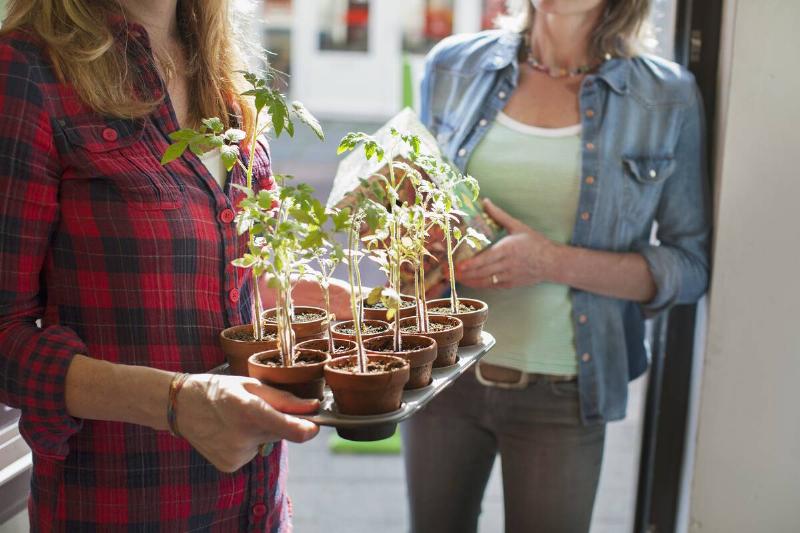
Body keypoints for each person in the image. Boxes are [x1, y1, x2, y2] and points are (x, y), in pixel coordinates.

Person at [0, 1, 343, 530]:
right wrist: (175, 402)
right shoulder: (27, 70)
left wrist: (338, 302)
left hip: (258, 505)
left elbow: (230, 273)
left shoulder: (222, 74)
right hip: (125, 507)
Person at [404, 0, 710, 531]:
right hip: (442, 373)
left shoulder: (665, 96)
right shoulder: (453, 65)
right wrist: (412, 234)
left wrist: (551, 262)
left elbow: (688, 267)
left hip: (565, 391)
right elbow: (414, 208)